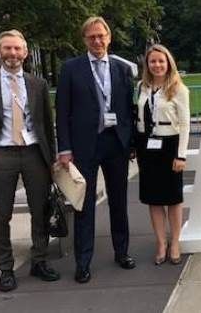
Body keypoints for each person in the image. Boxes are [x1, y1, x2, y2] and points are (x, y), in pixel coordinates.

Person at [0, 30, 60, 292]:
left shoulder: (37, 84)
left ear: (25, 53)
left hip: (34, 154)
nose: (12, 54)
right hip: (2, 156)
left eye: (17, 49)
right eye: (7, 49)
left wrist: (51, 158)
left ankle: (39, 260)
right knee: (1, 215)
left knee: (40, 212)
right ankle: (6, 269)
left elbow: (45, 123)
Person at [56, 17, 136, 283]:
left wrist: (131, 142)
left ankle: (122, 252)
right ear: (84, 40)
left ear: (109, 37)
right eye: (91, 37)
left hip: (116, 144)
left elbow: (129, 109)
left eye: (101, 36)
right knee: (84, 204)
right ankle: (83, 262)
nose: (97, 41)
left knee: (119, 201)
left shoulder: (122, 69)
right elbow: (62, 112)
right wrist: (64, 148)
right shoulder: (70, 69)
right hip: (84, 146)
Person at [135, 44, 189, 265]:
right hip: (146, 146)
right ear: (147, 65)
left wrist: (181, 155)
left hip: (169, 146)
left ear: (168, 63)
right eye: (152, 61)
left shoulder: (179, 89)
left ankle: (175, 241)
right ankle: (160, 242)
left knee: (173, 198)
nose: (157, 65)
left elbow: (185, 124)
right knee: (154, 199)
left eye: (161, 61)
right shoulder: (142, 87)